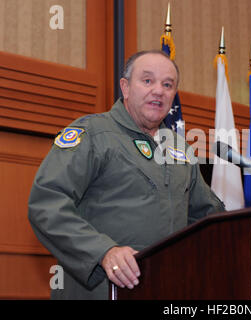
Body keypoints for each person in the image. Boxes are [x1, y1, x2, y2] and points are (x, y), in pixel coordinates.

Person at [28, 50, 225, 299]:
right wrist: (103, 251)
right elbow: (46, 204)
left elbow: (206, 217)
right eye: (147, 80)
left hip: (164, 288)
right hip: (100, 290)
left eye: (167, 84)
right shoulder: (92, 133)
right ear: (126, 87)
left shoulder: (180, 148)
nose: (158, 90)